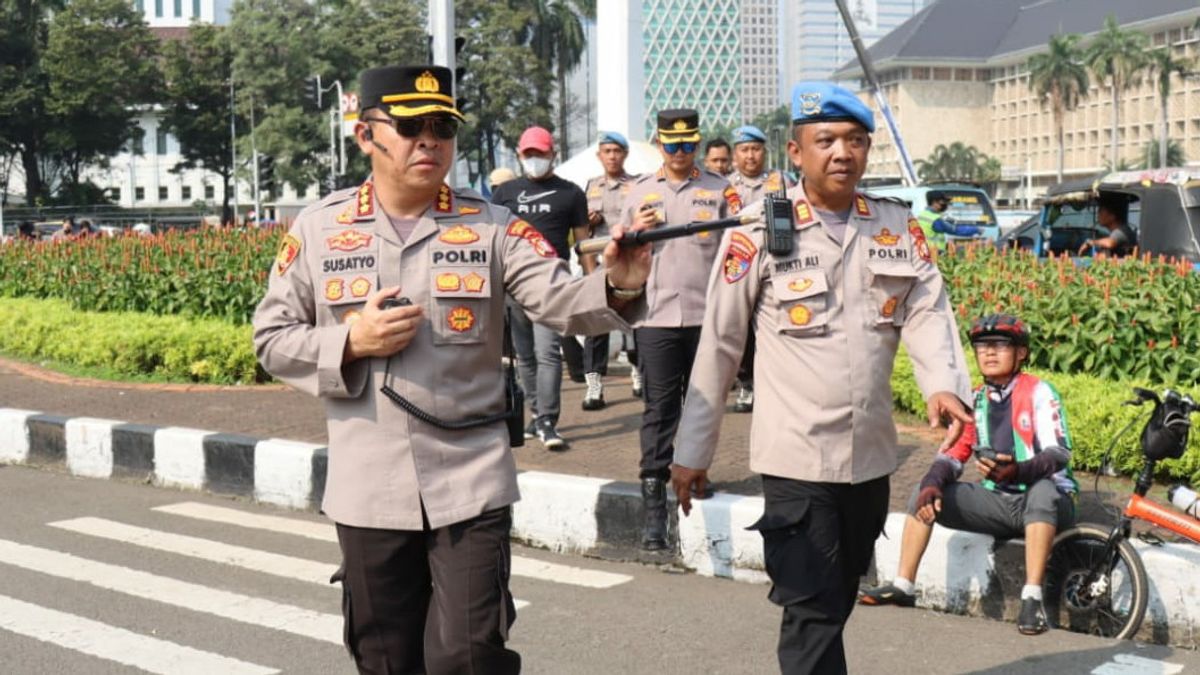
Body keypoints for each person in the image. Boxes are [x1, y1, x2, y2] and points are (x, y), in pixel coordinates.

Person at [253, 64, 651, 675]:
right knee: (385, 657)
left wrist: (621, 281)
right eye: (411, 127)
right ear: (366, 136)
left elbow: (561, 301)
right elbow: (273, 340)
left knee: (469, 653)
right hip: (369, 484)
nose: (429, 142)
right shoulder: (320, 228)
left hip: (470, 479)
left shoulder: (491, 225)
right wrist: (350, 341)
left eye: (442, 127)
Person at [670, 82, 974, 674]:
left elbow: (927, 310)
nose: (842, 153)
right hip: (795, 459)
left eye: (855, 141)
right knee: (810, 608)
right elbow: (721, 345)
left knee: (834, 599)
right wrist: (693, 450)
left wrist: (942, 383)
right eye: (826, 140)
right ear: (796, 151)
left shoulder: (896, 227)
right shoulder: (756, 232)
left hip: (871, 458)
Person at [858, 313, 1076, 637]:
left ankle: (1032, 598)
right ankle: (904, 585)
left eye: (1000, 345)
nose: (989, 352)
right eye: (982, 346)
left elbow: (1059, 454)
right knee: (926, 490)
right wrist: (932, 482)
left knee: (1043, 490)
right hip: (1001, 503)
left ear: (1021, 353)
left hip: (1048, 504)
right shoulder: (975, 399)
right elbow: (953, 456)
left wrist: (1018, 470)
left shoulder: (1039, 392)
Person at [623, 108, 740, 550]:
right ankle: (654, 506)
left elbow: (737, 256)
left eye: (688, 144)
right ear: (658, 144)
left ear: (697, 143)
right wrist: (635, 230)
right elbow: (620, 248)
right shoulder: (639, 192)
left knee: (704, 404)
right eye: (671, 145)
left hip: (706, 316)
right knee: (659, 409)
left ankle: (697, 473)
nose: (679, 153)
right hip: (655, 316)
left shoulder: (719, 190)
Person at [490, 126, 592, 449]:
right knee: (524, 356)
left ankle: (548, 418)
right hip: (512, 285)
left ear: (553, 155)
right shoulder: (505, 193)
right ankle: (535, 413)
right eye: (529, 154)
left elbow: (584, 244)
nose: (534, 159)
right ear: (520, 156)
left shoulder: (572, 193)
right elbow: (492, 240)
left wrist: (589, 284)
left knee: (548, 352)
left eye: (541, 154)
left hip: (551, 284)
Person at [727, 125, 797, 414]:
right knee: (741, 328)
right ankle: (746, 382)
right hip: (739, 265)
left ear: (764, 152)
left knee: (777, 324)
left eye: (756, 149)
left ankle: (776, 383)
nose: (751, 155)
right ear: (735, 154)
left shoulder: (782, 180)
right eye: (744, 149)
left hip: (776, 261)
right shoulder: (724, 186)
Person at [580, 130, 639, 410]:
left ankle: (639, 371)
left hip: (628, 264)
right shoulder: (590, 187)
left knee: (636, 321)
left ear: (625, 154)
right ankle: (594, 384)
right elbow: (582, 235)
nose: (612, 156)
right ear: (599, 155)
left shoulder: (637, 185)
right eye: (607, 151)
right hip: (600, 266)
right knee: (597, 325)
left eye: (617, 151)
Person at [916, 190, 982, 251]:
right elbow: (955, 230)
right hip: (935, 253)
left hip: (925, 251)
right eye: (943, 202)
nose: (945, 204)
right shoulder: (935, 220)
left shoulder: (922, 215)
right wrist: (976, 230)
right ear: (934, 202)